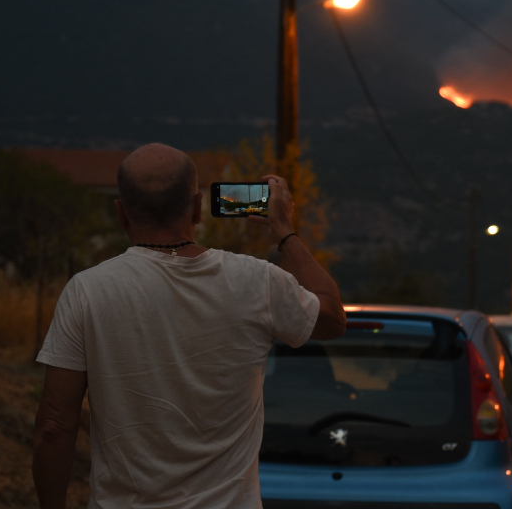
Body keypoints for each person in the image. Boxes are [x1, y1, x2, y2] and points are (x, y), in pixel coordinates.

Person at [32, 143, 346, 509]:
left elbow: (54, 428)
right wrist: (283, 231)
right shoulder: (257, 282)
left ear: (121, 213)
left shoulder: (87, 291)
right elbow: (334, 319)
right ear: (198, 207)